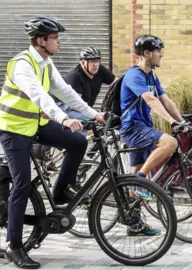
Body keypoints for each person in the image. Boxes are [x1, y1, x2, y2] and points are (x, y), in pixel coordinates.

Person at [0, 17, 105, 269]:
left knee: (78, 143)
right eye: (56, 38)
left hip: (36, 125)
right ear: (41, 40)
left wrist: (94, 114)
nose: (59, 42)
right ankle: (14, 247)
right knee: (22, 185)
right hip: (14, 130)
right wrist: (64, 118)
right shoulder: (21, 64)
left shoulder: (46, 63)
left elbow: (65, 92)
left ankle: (60, 191)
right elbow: (38, 95)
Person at [119, 35, 188, 234]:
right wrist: (171, 122)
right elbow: (150, 99)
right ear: (147, 53)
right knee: (170, 143)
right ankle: (141, 180)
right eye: (159, 51)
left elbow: (165, 100)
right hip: (133, 126)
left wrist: (181, 121)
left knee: (134, 174)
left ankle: (134, 224)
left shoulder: (152, 76)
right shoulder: (134, 75)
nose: (161, 55)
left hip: (143, 126)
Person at [57, 47, 115, 120]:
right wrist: (95, 115)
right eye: (92, 61)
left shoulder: (100, 70)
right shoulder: (75, 77)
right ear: (83, 63)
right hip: (66, 110)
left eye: (97, 61)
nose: (96, 65)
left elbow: (116, 84)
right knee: (93, 121)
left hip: (84, 110)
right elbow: (75, 106)